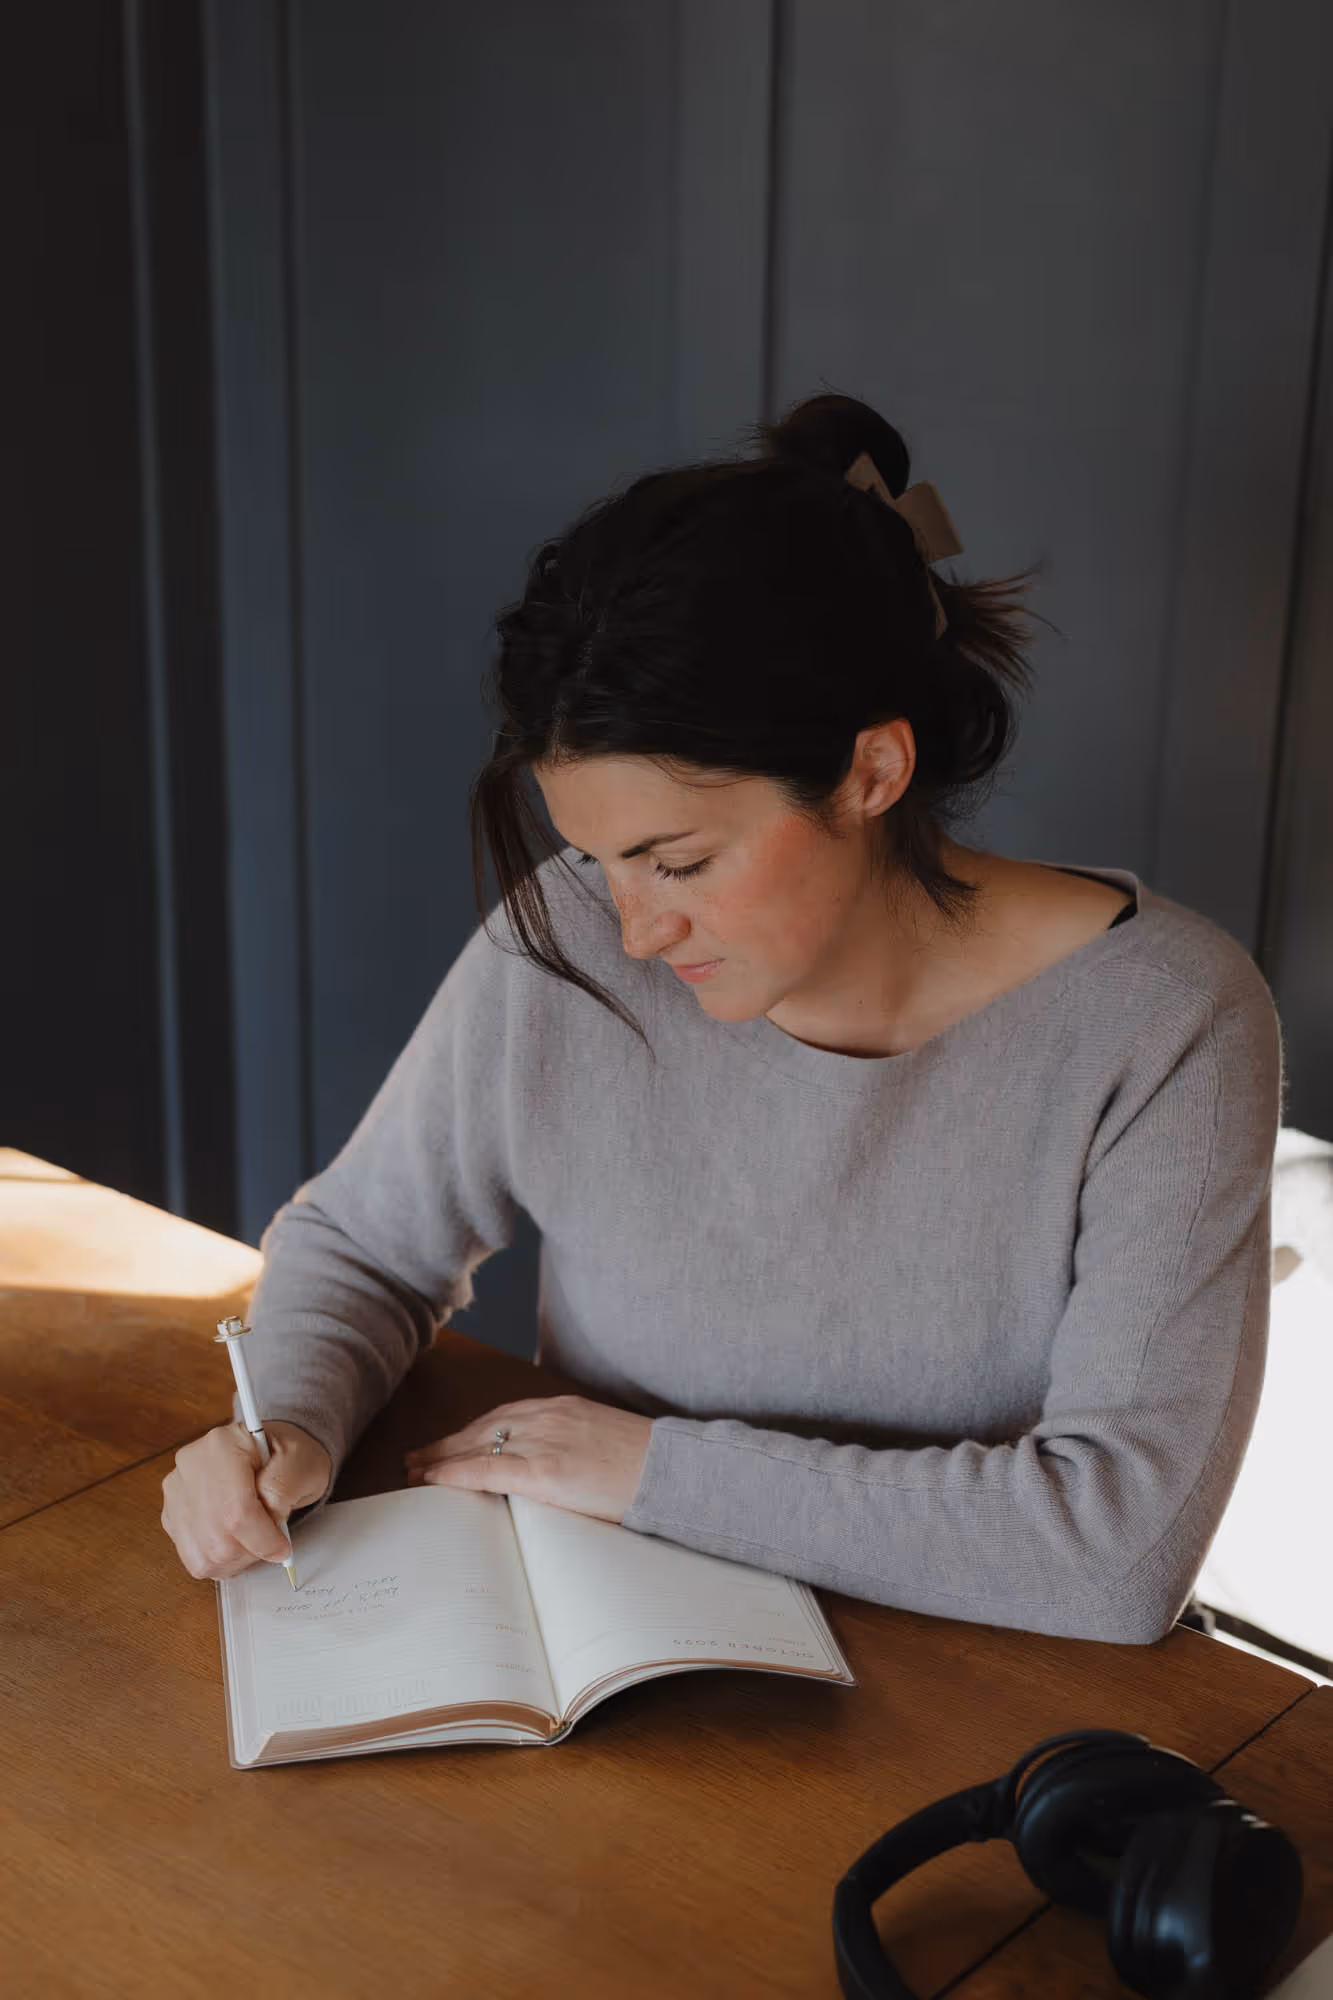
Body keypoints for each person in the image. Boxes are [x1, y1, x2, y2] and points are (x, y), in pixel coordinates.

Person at [161, 392, 1284, 1644]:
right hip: (607, 1653)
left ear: (871, 771)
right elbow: (368, 1241)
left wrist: (654, 1470)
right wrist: (287, 1424)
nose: (632, 929)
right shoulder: (577, 928)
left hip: (985, 1688)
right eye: (600, 857)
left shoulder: (1164, 1021)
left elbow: (1114, 1548)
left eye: (678, 862)